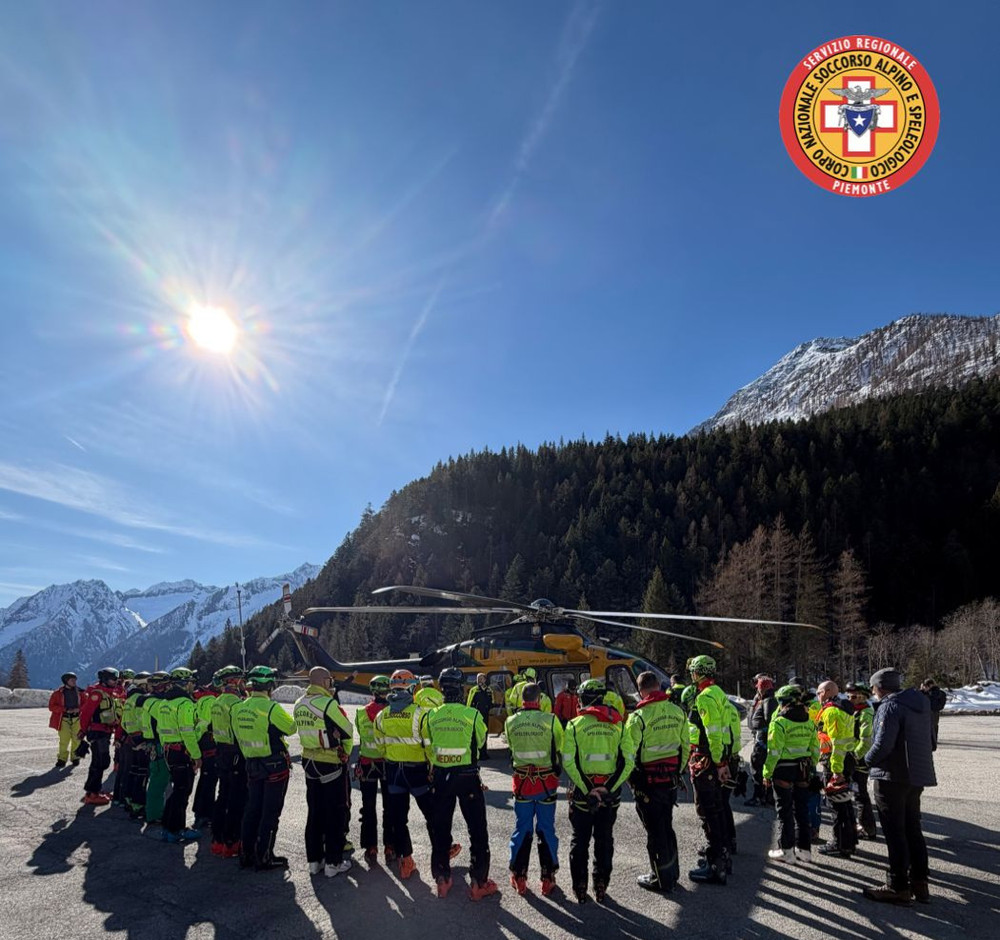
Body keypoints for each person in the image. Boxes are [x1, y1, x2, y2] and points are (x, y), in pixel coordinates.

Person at [863, 668, 937, 905]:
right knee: (912, 827)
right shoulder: (921, 705)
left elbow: (883, 744)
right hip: (916, 775)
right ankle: (920, 882)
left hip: (892, 775)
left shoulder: (889, 706)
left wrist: (864, 761)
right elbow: (932, 741)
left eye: (873, 688)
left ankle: (897, 885)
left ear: (880, 687)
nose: (873, 692)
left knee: (895, 831)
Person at [424, 667, 495, 900]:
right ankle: (478, 882)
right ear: (462, 688)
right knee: (477, 830)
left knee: (440, 827)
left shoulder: (431, 716)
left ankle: (442, 879)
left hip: (442, 776)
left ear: (442, 688)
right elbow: (481, 740)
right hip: (468, 776)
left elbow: (429, 744)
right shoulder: (472, 715)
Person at [562, 678, 635, 904]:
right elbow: (628, 762)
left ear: (583, 699)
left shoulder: (574, 725)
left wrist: (587, 790)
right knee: (604, 839)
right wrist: (608, 789)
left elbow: (568, 762)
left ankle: (580, 886)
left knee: (579, 840)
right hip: (609, 798)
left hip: (583, 796)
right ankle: (601, 883)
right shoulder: (619, 724)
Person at [625, 670, 690, 893]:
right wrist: (677, 772)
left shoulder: (639, 716)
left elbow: (628, 753)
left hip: (649, 784)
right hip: (669, 782)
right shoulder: (677, 711)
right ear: (659, 687)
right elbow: (686, 746)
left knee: (655, 832)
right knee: (667, 826)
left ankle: (660, 878)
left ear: (641, 691)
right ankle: (673, 872)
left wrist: (632, 780)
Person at [232, 665, 297, 871]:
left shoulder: (238, 707)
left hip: (251, 764)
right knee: (270, 812)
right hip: (274, 765)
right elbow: (291, 728)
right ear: (269, 685)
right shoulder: (271, 708)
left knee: (252, 809)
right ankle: (264, 855)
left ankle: (246, 853)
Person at [373, 669, 436, 880]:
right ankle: (442, 851)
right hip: (416, 771)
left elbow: (380, 746)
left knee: (399, 818)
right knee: (431, 813)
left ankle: (405, 860)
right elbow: (429, 746)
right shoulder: (420, 713)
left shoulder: (382, 715)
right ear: (410, 687)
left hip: (394, 772)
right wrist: (432, 766)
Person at [294, 666, 354, 878]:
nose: (331, 684)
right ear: (323, 681)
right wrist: (345, 753)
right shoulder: (327, 703)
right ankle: (333, 862)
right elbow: (347, 730)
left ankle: (314, 861)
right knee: (335, 813)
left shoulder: (299, 704)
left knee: (314, 813)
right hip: (329, 763)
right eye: (329, 680)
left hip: (309, 762)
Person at [505, 681, 564, 896]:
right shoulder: (550, 720)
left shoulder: (510, 721)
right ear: (539, 699)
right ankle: (547, 878)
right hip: (546, 783)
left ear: (522, 699)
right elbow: (559, 746)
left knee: (523, 828)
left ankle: (519, 876)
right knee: (546, 829)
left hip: (522, 784)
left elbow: (511, 747)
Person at [686, 655, 732, 885]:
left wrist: (719, 762)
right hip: (716, 758)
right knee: (717, 809)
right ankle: (722, 855)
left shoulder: (704, 698)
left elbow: (713, 733)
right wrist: (723, 760)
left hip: (706, 760)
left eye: (693, 671)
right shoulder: (719, 693)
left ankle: (715, 865)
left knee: (708, 809)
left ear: (699, 673)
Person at [763, 685, 820, 863]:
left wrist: (766, 773)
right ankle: (804, 850)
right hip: (803, 769)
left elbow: (774, 751)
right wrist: (811, 766)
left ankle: (785, 850)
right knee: (802, 810)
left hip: (783, 770)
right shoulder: (809, 722)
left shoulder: (780, 722)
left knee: (784, 811)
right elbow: (815, 749)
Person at [156, 667, 203, 843]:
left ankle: (168, 826)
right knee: (182, 791)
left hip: (169, 750)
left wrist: (164, 746)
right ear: (185, 684)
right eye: (191, 682)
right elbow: (188, 732)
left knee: (177, 790)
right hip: (182, 752)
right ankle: (176, 829)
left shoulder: (164, 703)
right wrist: (196, 755)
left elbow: (161, 729)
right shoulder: (185, 704)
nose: (193, 686)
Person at [815, 680, 858, 858]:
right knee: (845, 802)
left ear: (825, 692)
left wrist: (836, 770)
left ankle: (839, 843)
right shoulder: (843, 708)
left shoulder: (832, 711)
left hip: (836, 762)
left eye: (819, 693)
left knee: (836, 804)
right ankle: (849, 840)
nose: (817, 696)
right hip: (845, 759)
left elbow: (836, 742)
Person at [355, 675, 395, 862]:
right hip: (388, 763)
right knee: (390, 807)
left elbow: (361, 738)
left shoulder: (361, 713)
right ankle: (390, 846)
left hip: (367, 763)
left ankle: (370, 847)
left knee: (368, 807)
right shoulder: (391, 713)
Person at [209, 666, 247, 858]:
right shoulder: (235, 703)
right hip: (236, 753)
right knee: (236, 799)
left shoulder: (217, 702)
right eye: (240, 680)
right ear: (233, 681)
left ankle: (217, 840)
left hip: (221, 752)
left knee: (222, 795)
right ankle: (232, 841)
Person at [78, 667, 122, 806]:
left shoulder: (109, 693)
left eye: (116, 679)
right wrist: (83, 730)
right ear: (104, 679)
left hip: (105, 731)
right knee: (99, 762)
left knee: (101, 761)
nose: (115, 681)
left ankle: (95, 790)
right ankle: (91, 793)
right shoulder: (97, 694)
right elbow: (86, 713)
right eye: (112, 679)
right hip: (97, 732)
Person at [845, 682, 877, 839]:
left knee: (860, 794)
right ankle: (863, 824)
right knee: (856, 793)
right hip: (852, 758)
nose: (850, 698)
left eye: (854, 696)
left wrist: (854, 757)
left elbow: (866, 741)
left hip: (859, 761)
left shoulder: (866, 713)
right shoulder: (854, 711)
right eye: (848, 695)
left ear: (863, 697)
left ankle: (867, 827)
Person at [140, 672, 172, 827]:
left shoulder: (148, 700)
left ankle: (153, 812)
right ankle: (154, 814)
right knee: (159, 782)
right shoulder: (156, 703)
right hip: (159, 744)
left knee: (156, 780)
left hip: (153, 743)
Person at [119, 672, 151, 819]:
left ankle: (129, 800)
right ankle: (138, 805)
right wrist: (146, 738)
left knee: (133, 771)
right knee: (142, 774)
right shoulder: (141, 699)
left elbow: (124, 722)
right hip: (141, 740)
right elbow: (143, 720)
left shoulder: (129, 699)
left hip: (131, 738)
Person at [191, 678, 219, 829]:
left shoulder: (204, 698)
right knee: (209, 779)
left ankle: (200, 811)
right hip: (208, 744)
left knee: (206, 779)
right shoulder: (210, 701)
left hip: (204, 743)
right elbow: (203, 724)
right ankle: (204, 814)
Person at [745, 675, 777, 807]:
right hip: (760, 738)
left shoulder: (769, 700)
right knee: (759, 768)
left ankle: (760, 796)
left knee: (757, 768)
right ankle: (766, 796)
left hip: (763, 740)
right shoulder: (762, 699)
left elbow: (770, 720)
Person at [49, 672, 83, 768]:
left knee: (77, 739)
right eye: (72, 680)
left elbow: (86, 704)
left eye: (75, 680)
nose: (74, 682)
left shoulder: (80, 692)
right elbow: (51, 706)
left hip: (77, 718)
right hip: (64, 719)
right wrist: (65, 710)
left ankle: (75, 757)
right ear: (66, 681)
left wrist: (79, 709)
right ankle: (62, 759)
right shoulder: (58, 693)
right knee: (64, 740)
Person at [467, 673, 494, 760]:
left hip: (485, 715)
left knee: (484, 733)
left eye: (481, 678)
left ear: (485, 680)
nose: (479, 680)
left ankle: (484, 753)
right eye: (478, 678)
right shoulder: (474, 690)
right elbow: (469, 703)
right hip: (476, 715)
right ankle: (476, 753)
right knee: (476, 734)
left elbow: (492, 702)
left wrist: (489, 708)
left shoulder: (489, 690)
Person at [920, 679, 947, 750]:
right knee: (934, 726)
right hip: (935, 711)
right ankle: (933, 740)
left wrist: (922, 691)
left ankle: (931, 740)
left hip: (931, 711)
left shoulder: (932, 693)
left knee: (930, 726)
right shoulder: (939, 693)